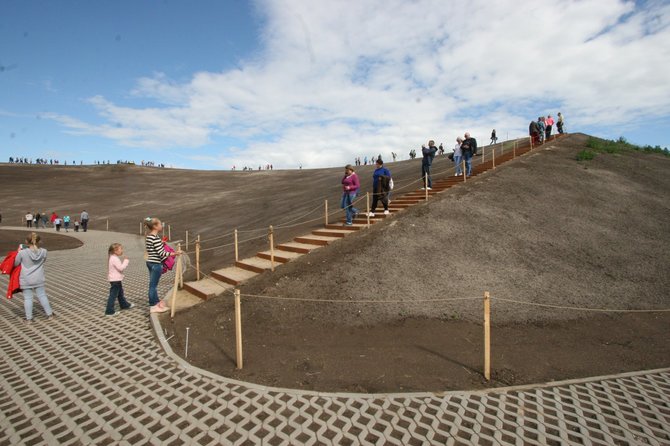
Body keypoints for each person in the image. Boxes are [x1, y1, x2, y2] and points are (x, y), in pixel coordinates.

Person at [14, 233, 54, 322]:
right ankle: (50, 314)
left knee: (28, 298)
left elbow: (15, 263)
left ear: (26, 242)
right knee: (42, 296)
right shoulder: (44, 251)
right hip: (39, 278)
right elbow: (44, 261)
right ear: (39, 241)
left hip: (26, 279)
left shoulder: (22, 252)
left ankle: (29, 319)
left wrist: (18, 252)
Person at [144, 217, 179, 313]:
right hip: (156, 264)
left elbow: (153, 248)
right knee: (153, 286)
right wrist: (175, 253)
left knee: (152, 284)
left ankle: (156, 303)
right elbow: (162, 253)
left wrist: (161, 243)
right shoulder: (155, 238)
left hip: (150, 262)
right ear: (155, 226)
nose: (161, 226)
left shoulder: (149, 236)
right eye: (159, 224)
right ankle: (153, 306)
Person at [106, 243, 133, 316]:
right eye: (121, 249)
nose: (122, 250)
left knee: (120, 293)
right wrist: (126, 261)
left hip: (116, 279)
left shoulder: (113, 257)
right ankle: (109, 311)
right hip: (115, 280)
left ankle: (124, 305)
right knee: (113, 295)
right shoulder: (114, 259)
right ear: (115, 251)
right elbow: (121, 268)